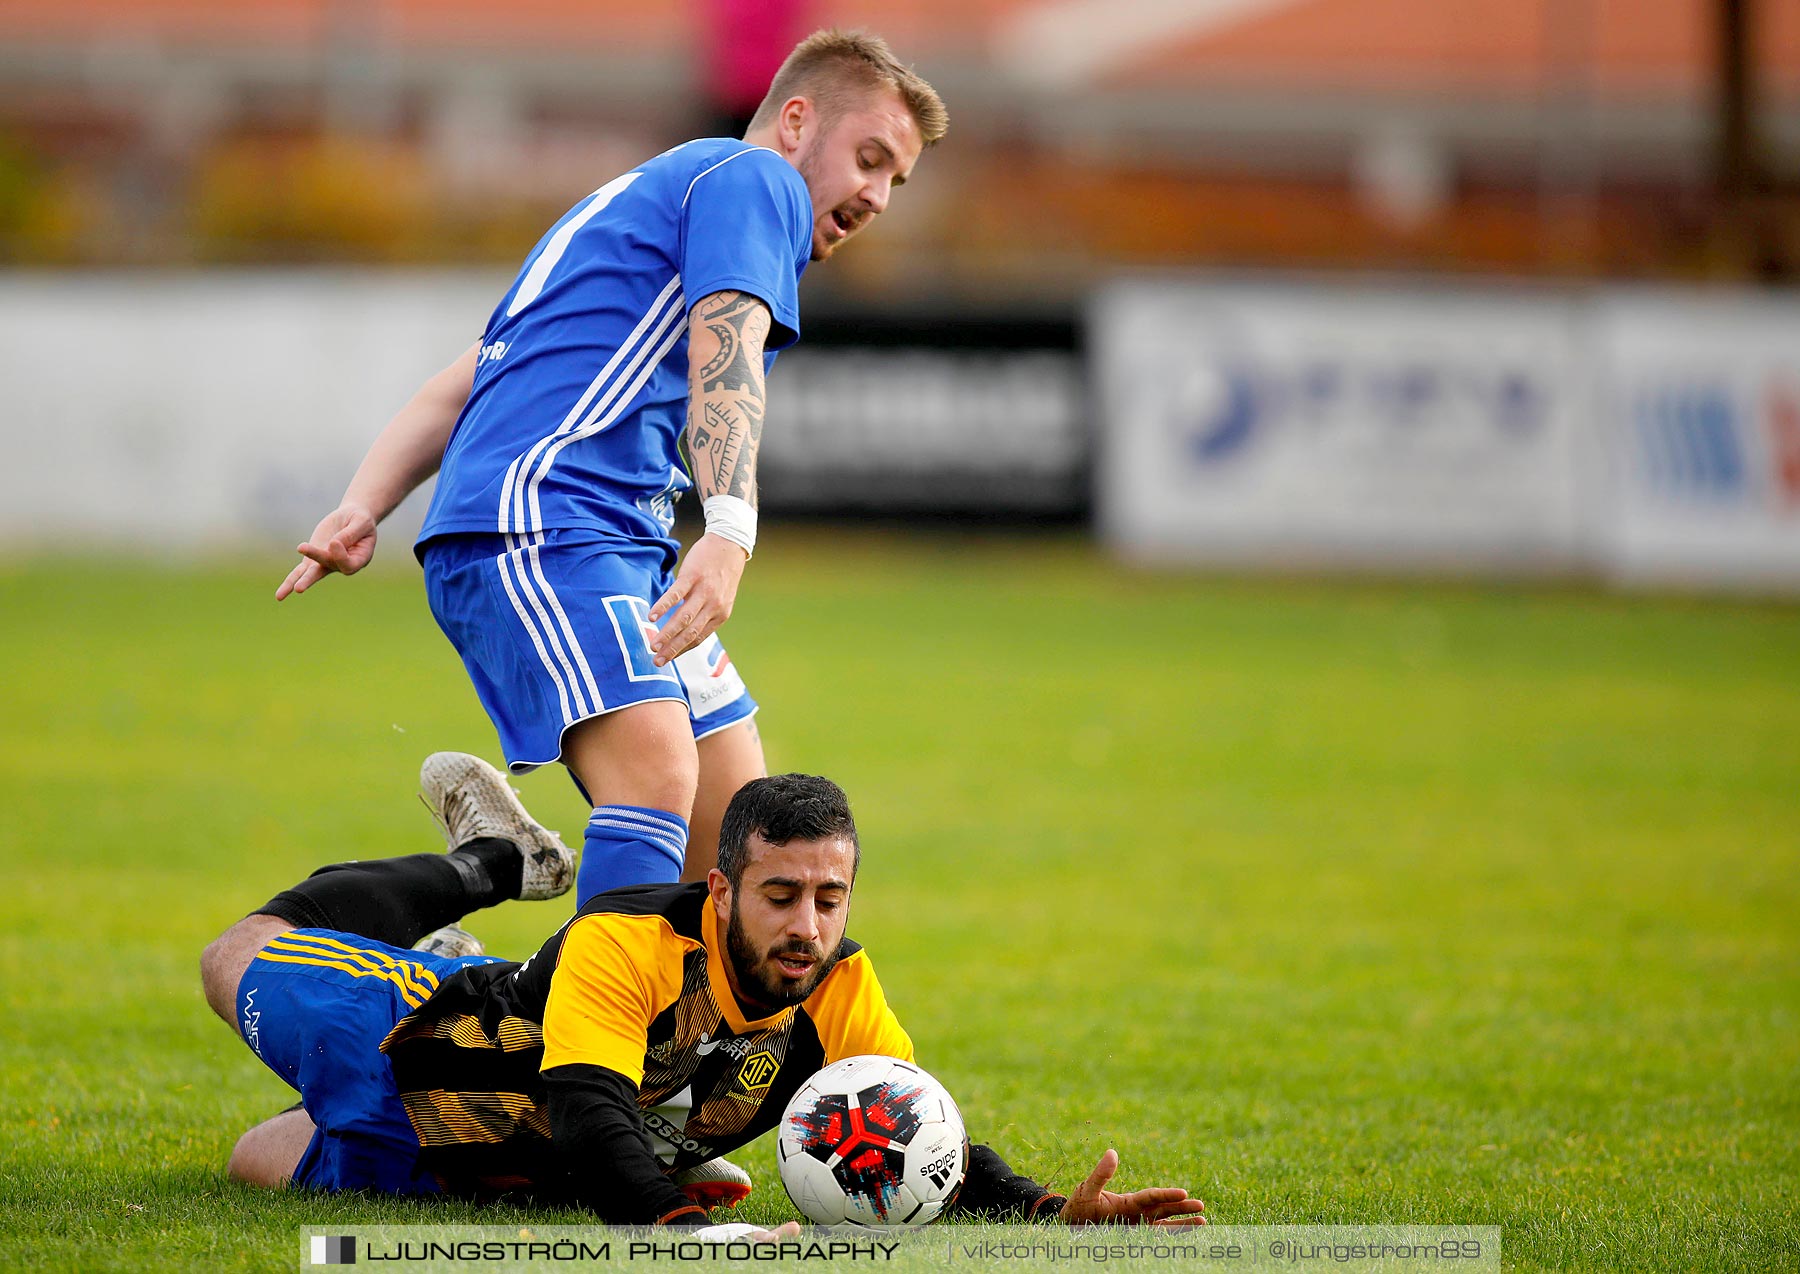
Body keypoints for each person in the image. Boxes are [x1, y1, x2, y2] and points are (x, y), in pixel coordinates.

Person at [274, 31, 949, 905]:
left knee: (741, 842)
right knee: (657, 777)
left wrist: (362, 503)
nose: (879, 195)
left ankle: (518, 886)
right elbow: (727, 353)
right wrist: (731, 531)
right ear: (793, 121)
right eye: (869, 158)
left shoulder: (657, 198)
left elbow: (470, 378)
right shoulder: (755, 181)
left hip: (617, 539)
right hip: (544, 521)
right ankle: (584, 1031)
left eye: (896, 180)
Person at [199, 756, 1209, 1229]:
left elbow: (918, 1138)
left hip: (483, 1164)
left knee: (254, 1160)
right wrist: (692, 1234)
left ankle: (657, 1140)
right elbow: (588, 1110)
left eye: (828, 894)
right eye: (780, 895)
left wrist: (1042, 1207)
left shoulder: (839, 982)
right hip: (411, 1042)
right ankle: (489, 863)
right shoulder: (633, 938)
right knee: (234, 951)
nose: (807, 924)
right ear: (722, 887)